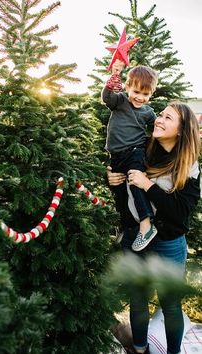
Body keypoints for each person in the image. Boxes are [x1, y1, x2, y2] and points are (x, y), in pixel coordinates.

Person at [107, 101, 201, 354]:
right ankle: (139, 349)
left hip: (168, 243)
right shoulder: (140, 151)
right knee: (137, 300)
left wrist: (148, 185)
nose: (158, 119)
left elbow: (180, 213)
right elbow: (127, 199)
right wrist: (113, 181)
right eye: (160, 115)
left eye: (167, 118)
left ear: (181, 130)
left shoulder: (187, 165)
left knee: (170, 305)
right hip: (135, 236)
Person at [102, 59, 159, 251]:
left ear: (151, 94)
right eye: (136, 92)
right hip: (116, 156)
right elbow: (107, 96)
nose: (140, 97)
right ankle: (125, 225)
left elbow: (157, 130)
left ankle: (146, 224)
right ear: (127, 88)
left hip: (135, 152)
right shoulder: (120, 102)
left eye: (145, 94)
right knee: (119, 191)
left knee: (135, 182)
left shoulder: (149, 113)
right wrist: (115, 74)